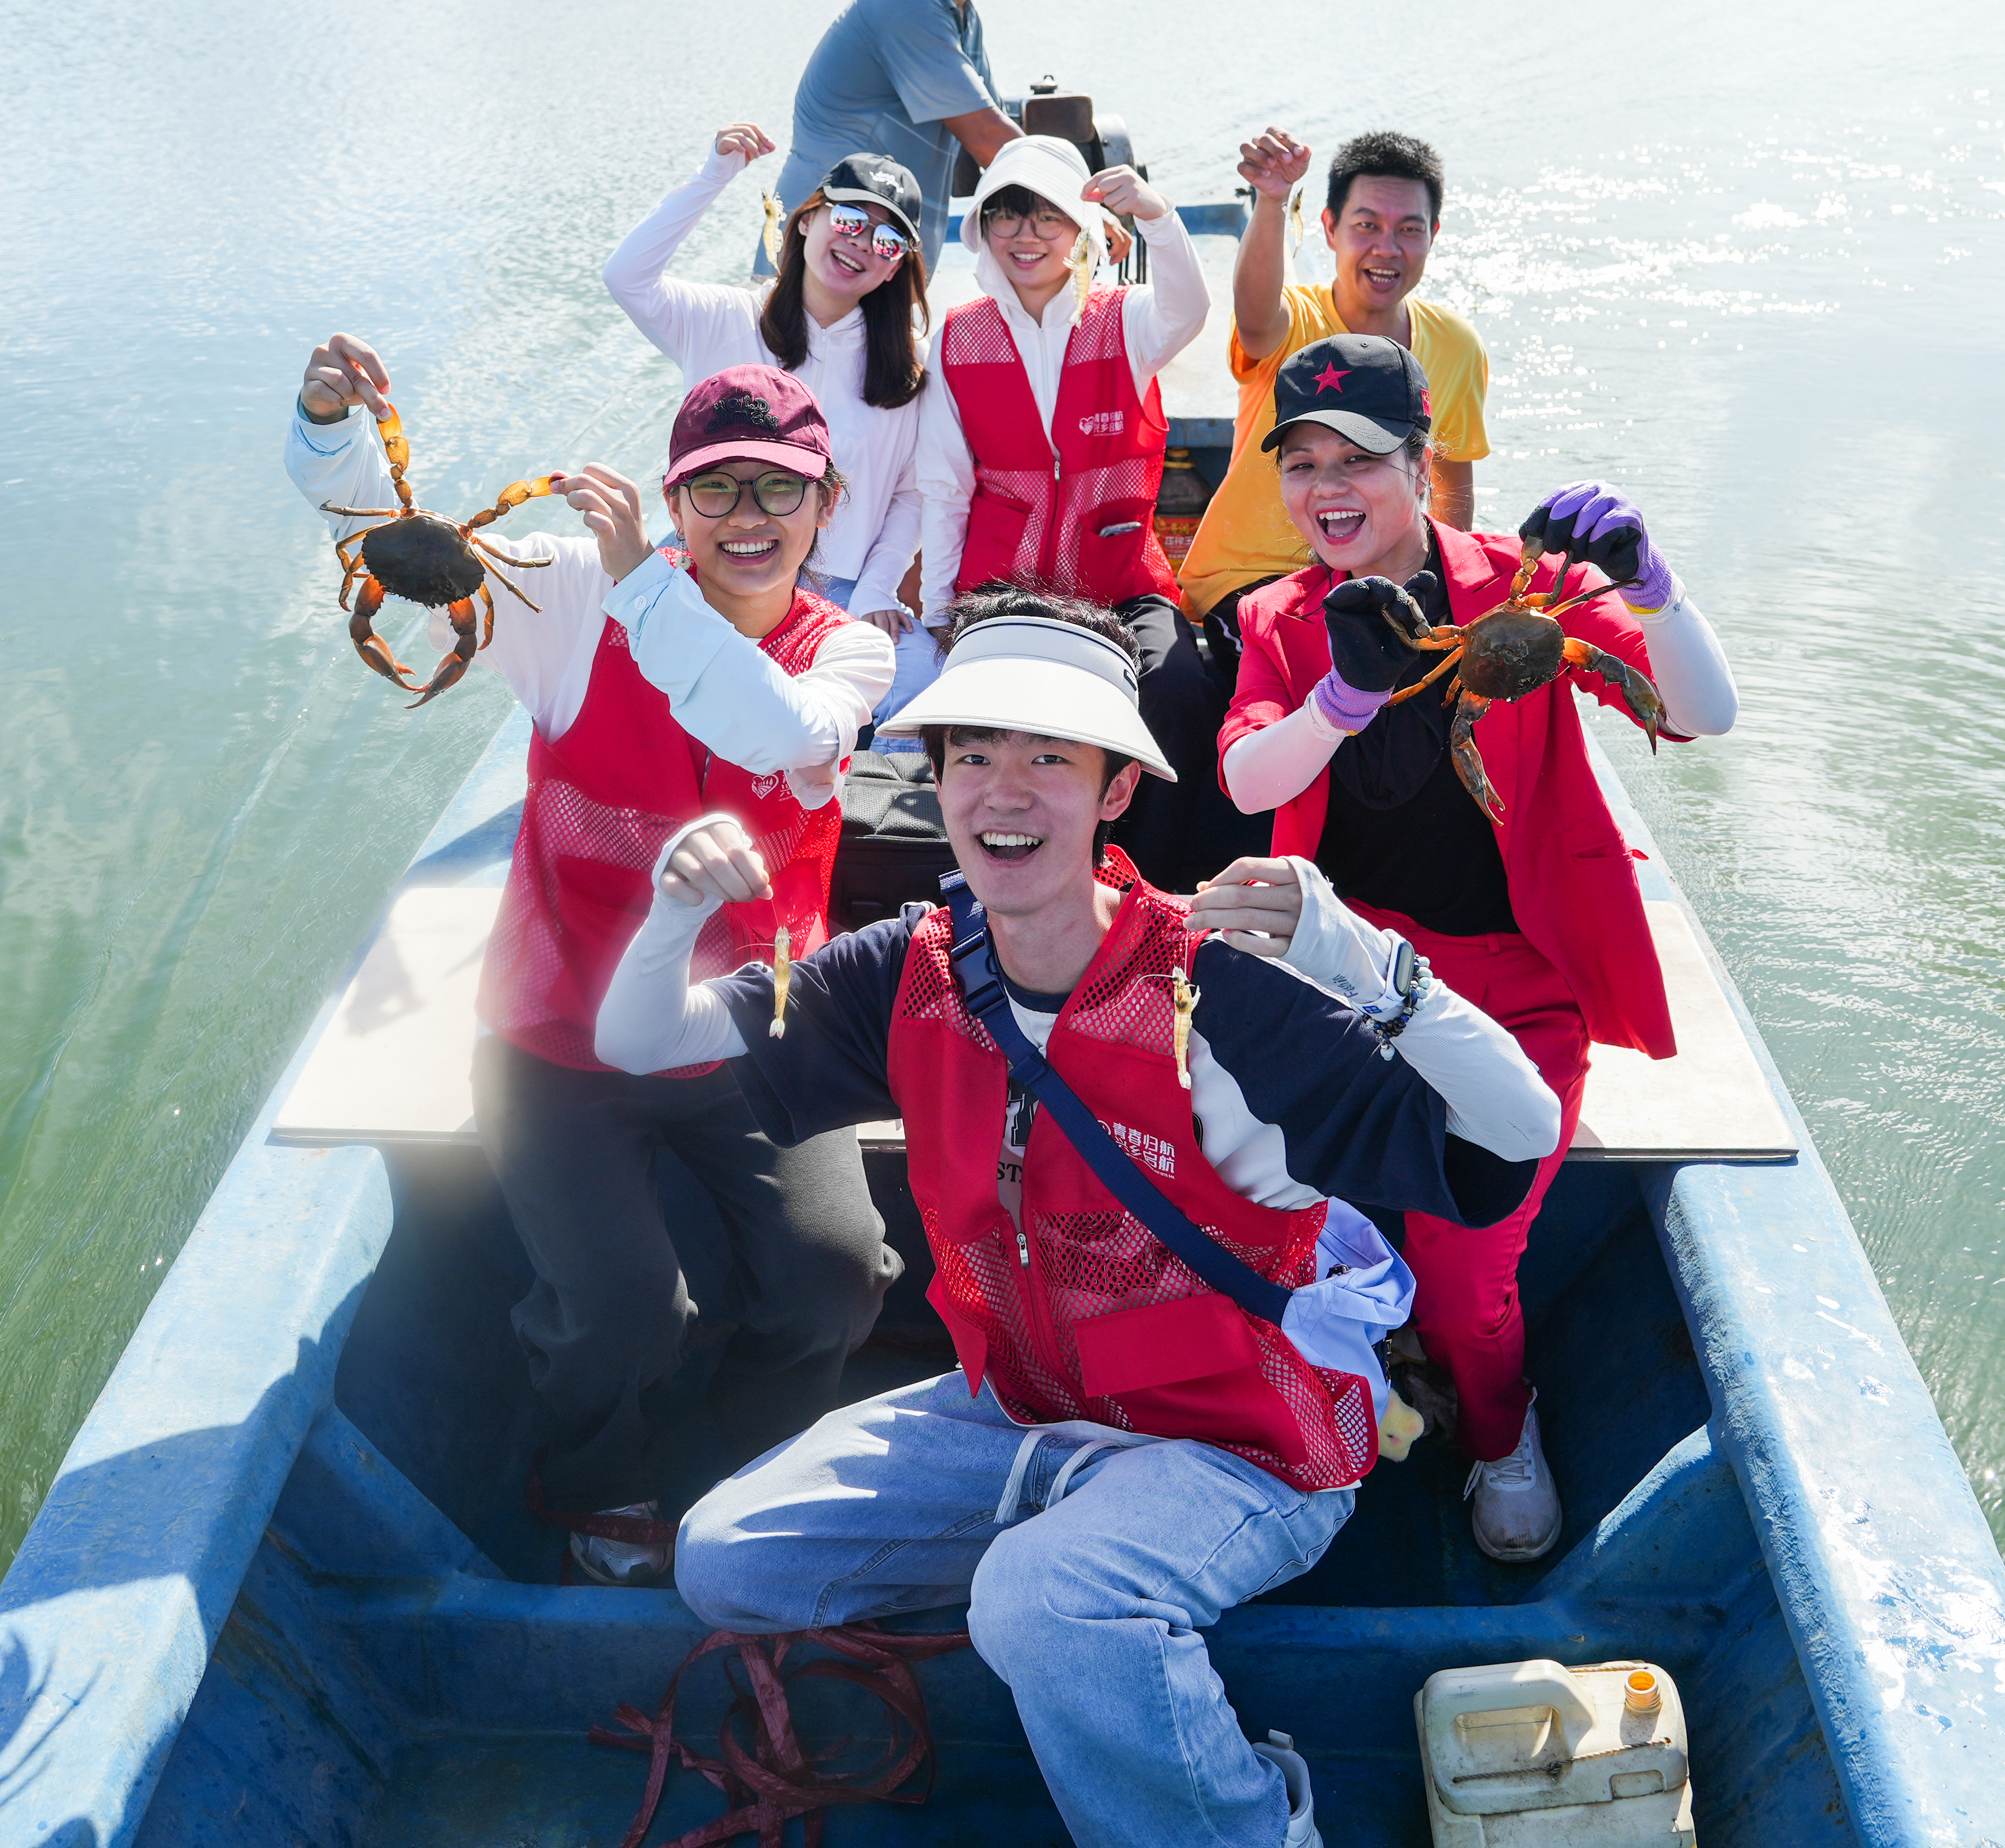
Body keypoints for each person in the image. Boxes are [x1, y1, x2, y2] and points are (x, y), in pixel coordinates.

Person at [592, 585, 1565, 1848]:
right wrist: (672, 914)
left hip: (1246, 1439)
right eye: (975, 754)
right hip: (1025, 1404)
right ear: (935, 786)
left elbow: (1517, 1140)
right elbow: (642, 1041)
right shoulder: (909, 967)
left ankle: (1248, 1820)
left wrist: (1384, 974)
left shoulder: (1224, 991)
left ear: (1114, 791)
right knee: (728, 1557)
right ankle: (1078, 1557)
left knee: (1039, 1600)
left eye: (1051, 755)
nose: (1007, 789)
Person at [285, 345, 897, 1584]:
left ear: (829, 506)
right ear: (673, 503)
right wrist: (328, 422)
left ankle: (748, 1454)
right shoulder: (568, 595)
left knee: (836, 1278)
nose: (748, 518)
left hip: (753, 1029)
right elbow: (382, 535)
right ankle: (597, 1478)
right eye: (715, 489)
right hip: (553, 1033)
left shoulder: (853, 657)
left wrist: (643, 583)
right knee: (622, 1306)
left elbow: (771, 731)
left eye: (781, 489)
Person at [1216, 333, 1737, 1563]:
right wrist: (1340, 699)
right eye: (1302, 462)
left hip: (1516, 990)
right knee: (1245, 1205)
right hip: (1338, 976)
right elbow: (1246, 779)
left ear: (1423, 459)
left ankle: (1502, 1433)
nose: (1327, 487)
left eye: (1361, 458)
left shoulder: (1526, 592)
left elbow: (1701, 714)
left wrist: (1654, 591)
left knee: (1466, 1267)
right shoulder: (1285, 618)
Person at [913, 129, 1220, 880]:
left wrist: (1155, 214)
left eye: (1046, 217)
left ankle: (1154, 883)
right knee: (999, 721)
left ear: (1079, 229)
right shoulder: (956, 339)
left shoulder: (1127, 320)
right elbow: (946, 487)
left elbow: (1192, 307)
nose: (1027, 236)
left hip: (1120, 580)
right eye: (1006, 217)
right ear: (982, 229)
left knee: (1181, 689)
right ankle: (1009, 881)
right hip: (1003, 591)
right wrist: (937, 612)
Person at [607, 124, 937, 715]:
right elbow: (626, 276)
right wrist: (714, 176)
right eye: (850, 220)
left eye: (888, 240)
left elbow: (911, 494)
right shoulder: (723, 317)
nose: (863, 243)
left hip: (842, 589)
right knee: (623, 669)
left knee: (917, 685)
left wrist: (875, 591)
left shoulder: (910, 364)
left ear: (896, 268)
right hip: (711, 564)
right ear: (807, 218)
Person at [1178, 129, 1493, 664]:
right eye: (1367, 225)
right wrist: (1273, 200)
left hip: (1382, 577)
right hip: (1254, 576)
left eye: (1409, 229)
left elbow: (1450, 492)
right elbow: (1255, 320)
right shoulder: (1296, 319)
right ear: (1329, 228)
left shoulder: (1457, 345)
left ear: (1433, 235)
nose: (1386, 249)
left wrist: (1449, 597)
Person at [773, 0, 1023, 235]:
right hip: (817, 254)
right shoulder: (905, 2)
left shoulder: (959, 14)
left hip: (874, 252)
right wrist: (1092, 202)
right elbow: (989, 139)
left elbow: (997, 124)